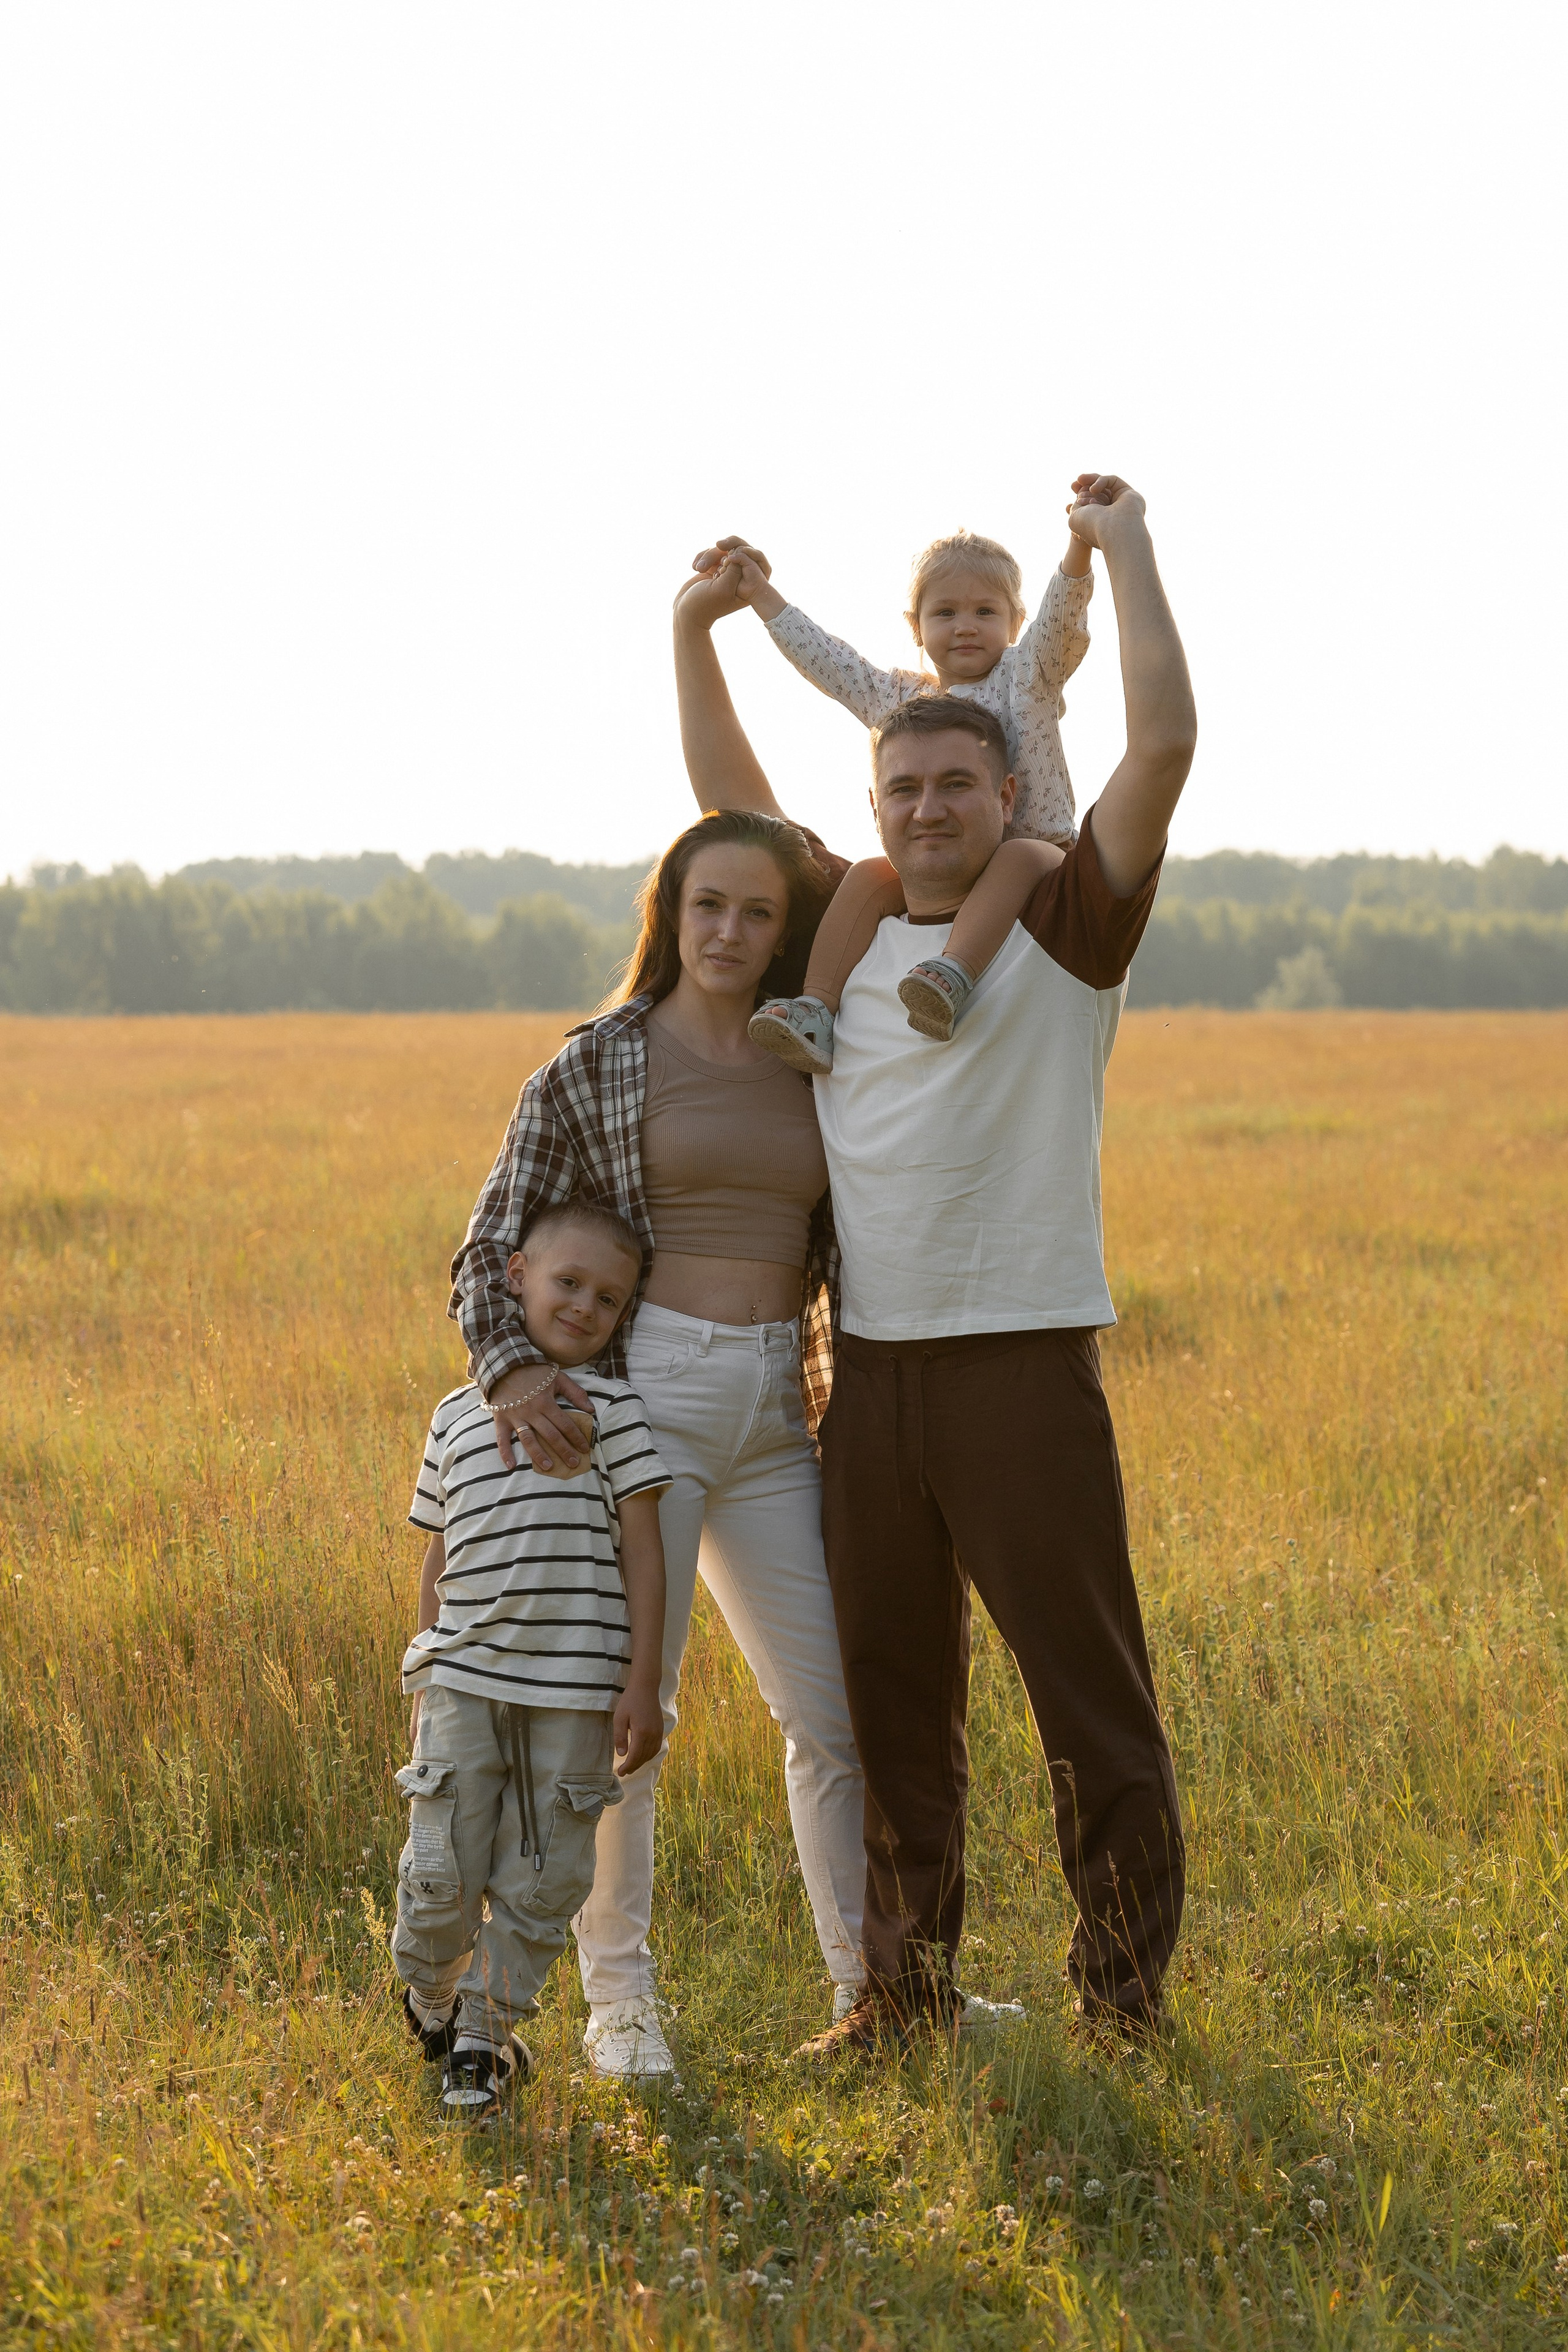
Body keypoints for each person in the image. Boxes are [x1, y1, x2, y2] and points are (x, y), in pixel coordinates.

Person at [673, 475, 1197, 2054]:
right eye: (898, 787)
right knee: (893, 1702)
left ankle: (1120, 2009)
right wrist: (695, 632)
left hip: (1022, 1366)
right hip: (872, 1378)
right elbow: (729, 811)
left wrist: (1126, 550)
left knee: (1085, 1700)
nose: (923, 809)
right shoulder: (839, 947)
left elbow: (1162, 747)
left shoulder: (1063, 927)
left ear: (1005, 789)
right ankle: (899, 2002)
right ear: (876, 798)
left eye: (954, 784)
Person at [449, 807, 867, 2079]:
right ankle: (619, 2008)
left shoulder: (818, 1050)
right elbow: (490, 1244)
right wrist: (519, 1374)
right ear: (671, 917)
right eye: (709, 906)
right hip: (647, 1408)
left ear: (784, 931)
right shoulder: (598, 1062)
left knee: (834, 1716)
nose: (731, 931)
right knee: (632, 1717)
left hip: (781, 1408)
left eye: (759, 912)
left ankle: (874, 1991)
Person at [394, 1202, 668, 2119]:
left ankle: (483, 2036)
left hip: (574, 1696)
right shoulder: (455, 1415)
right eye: (568, 1283)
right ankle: (432, 1993)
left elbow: (645, 1552)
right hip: (463, 1685)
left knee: (545, 1878)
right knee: (441, 1874)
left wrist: (640, 1683)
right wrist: (427, 1667)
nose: (586, 1307)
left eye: (609, 1299)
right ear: (516, 1278)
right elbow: (438, 1555)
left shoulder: (616, 1413)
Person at [692, 507, 1098, 1069]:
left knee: (1017, 857)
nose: (965, 626)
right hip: (941, 862)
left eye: (985, 611)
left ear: (1015, 623)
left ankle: (950, 978)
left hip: (1037, 854)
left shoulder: (1028, 677)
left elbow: (1061, 621)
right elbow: (833, 665)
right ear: (917, 627)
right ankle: (816, 1009)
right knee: (868, 876)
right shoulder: (905, 701)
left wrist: (1080, 544)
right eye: (945, 612)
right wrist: (762, 596)